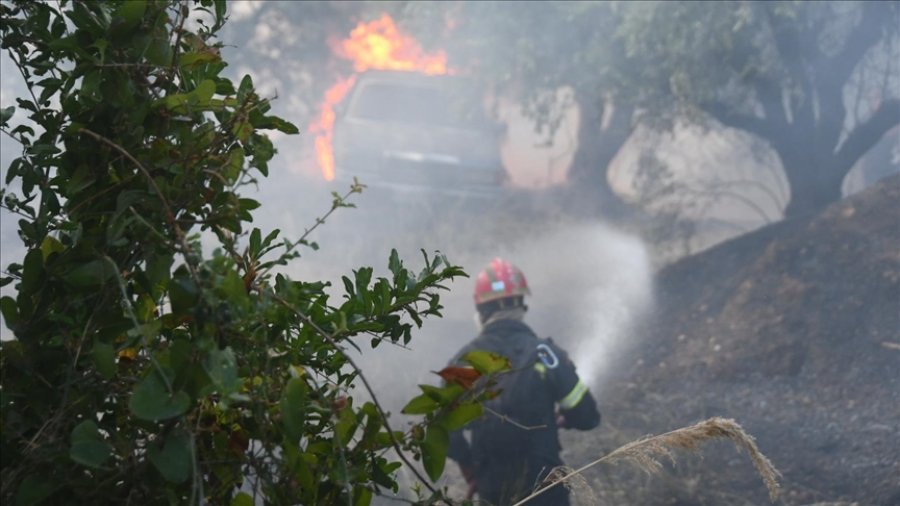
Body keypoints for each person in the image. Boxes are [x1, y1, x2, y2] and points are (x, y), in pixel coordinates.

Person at [446, 258, 600, 505]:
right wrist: (565, 418)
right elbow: (588, 415)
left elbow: (445, 428)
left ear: (480, 310)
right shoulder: (545, 354)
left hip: (492, 491)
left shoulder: (464, 362)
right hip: (546, 491)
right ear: (522, 305)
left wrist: (469, 467)